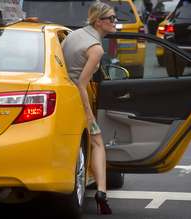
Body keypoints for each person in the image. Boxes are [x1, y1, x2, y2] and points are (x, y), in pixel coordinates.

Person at [62, 1, 117, 215]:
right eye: (111, 18)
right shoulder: (96, 49)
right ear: (98, 21)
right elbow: (82, 84)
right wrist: (88, 113)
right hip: (77, 98)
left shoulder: (72, 35)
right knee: (98, 142)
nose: (115, 22)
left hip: (62, 94)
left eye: (115, 18)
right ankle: (102, 191)